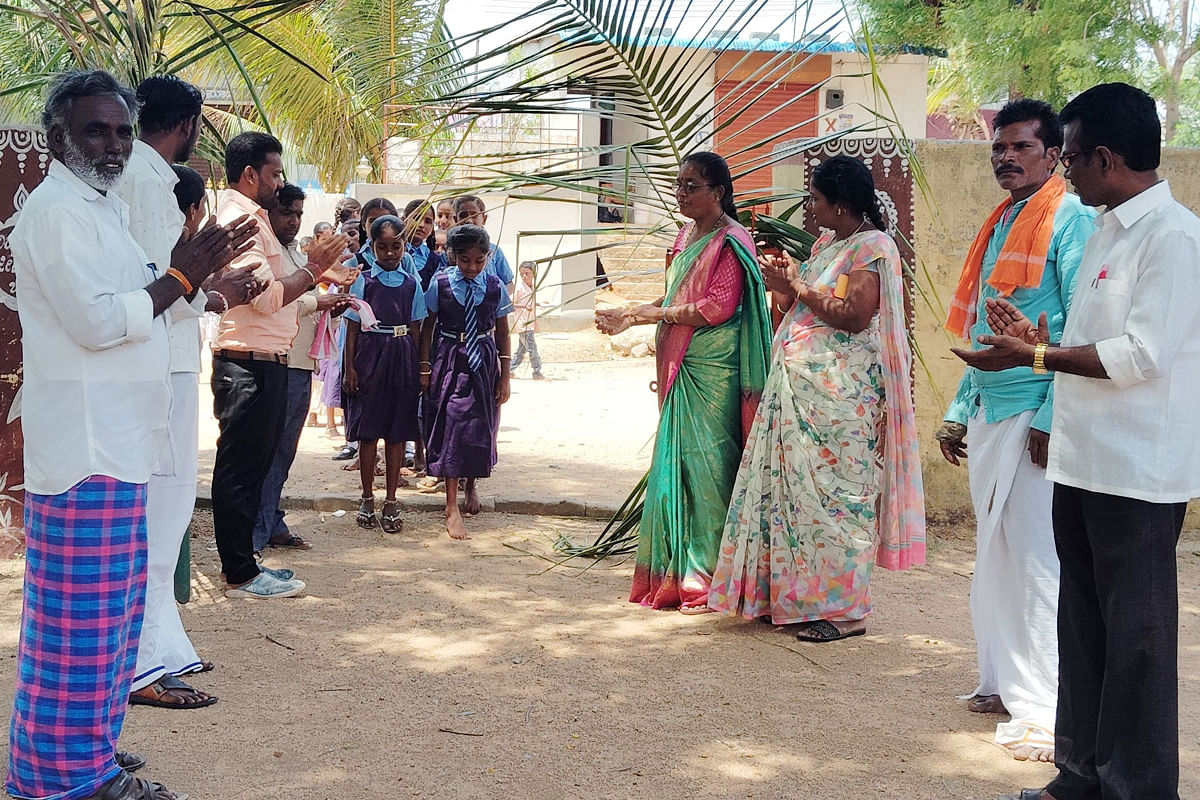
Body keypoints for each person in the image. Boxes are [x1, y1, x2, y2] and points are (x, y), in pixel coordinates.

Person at [8, 68, 257, 800]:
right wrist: (180, 281)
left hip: (118, 446)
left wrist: (201, 287)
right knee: (79, 633)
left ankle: (80, 757)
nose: (114, 144)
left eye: (122, 129)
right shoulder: (57, 213)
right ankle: (66, 781)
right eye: (96, 129)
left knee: (109, 623)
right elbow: (98, 320)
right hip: (87, 449)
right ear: (58, 137)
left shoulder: (99, 207)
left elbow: (145, 295)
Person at [955, 83, 1200, 800]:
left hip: (1138, 473)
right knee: (1084, 629)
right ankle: (1081, 777)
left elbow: (1139, 356)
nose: (1064, 171)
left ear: (1104, 157)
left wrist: (1032, 359)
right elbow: (1091, 345)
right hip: (1083, 458)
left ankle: (1138, 789)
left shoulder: (1175, 238)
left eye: (1072, 157)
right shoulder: (1105, 227)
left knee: (1139, 645)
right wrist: (1043, 342)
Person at [937, 99, 1095, 761]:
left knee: (1037, 561)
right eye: (999, 148)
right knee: (998, 555)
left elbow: (1083, 322)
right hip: (992, 409)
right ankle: (1003, 682)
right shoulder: (1001, 220)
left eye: (1021, 148)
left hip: (1036, 412)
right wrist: (958, 406)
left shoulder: (1070, 219)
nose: (1005, 157)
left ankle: (1046, 708)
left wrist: (1056, 416)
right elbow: (989, 330)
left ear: (1054, 155)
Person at [706, 154, 925, 635]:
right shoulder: (829, 243)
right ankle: (790, 600)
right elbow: (797, 304)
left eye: (817, 200)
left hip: (840, 404)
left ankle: (844, 611)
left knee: (838, 503)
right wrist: (783, 283)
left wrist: (799, 286)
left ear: (842, 205)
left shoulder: (872, 247)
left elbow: (852, 315)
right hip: (802, 395)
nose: (811, 208)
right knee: (794, 503)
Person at [116, 75, 270, 712]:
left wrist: (207, 290)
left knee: (169, 513)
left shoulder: (138, 177)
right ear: (187, 127)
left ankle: (164, 645)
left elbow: (164, 281)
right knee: (160, 515)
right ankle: (144, 662)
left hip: (166, 356)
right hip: (161, 363)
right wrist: (209, 290)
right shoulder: (149, 182)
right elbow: (160, 283)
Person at [594, 151, 772, 612]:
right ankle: (675, 572)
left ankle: (708, 575)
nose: (682, 193)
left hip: (713, 372)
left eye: (692, 185)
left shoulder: (732, 241)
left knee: (710, 470)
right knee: (681, 471)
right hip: (681, 366)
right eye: (679, 184)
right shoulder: (684, 234)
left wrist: (653, 313)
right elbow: (676, 295)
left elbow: (716, 307)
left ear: (719, 192)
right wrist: (631, 314)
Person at [211, 132, 352, 599]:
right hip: (246, 364)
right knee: (241, 469)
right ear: (250, 175)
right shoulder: (241, 220)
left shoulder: (254, 218)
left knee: (254, 466)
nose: (280, 182)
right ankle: (239, 572)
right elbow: (268, 297)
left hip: (264, 361)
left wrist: (314, 278)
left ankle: (246, 564)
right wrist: (311, 271)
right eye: (274, 173)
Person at [253, 183, 352, 554]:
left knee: (284, 450)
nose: (293, 221)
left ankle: (270, 521)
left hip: (297, 361)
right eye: (285, 213)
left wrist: (329, 303)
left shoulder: (293, 252)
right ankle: (256, 533)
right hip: (275, 360)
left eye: (297, 214)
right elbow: (275, 298)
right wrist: (318, 299)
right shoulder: (266, 250)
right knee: (268, 449)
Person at [419, 224, 513, 540]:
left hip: (484, 361)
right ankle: (450, 506)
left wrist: (506, 376)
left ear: (488, 257)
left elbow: (502, 331)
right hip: (450, 357)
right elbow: (428, 325)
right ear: (453, 257)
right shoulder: (441, 283)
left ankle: (471, 485)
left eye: (479, 261)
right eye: (465, 260)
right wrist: (425, 366)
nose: (472, 267)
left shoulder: (495, 286)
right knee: (452, 424)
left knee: (480, 426)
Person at [344, 214, 428, 532]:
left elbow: (418, 326)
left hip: (402, 355)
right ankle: (367, 496)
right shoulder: (364, 280)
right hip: (370, 356)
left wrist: (423, 366)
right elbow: (352, 327)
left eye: (396, 246)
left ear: (404, 245)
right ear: (372, 247)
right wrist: (349, 367)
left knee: (396, 432)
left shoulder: (411, 283)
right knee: (369, 432)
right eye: (383, 247)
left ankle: (391, 500)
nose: (391, 253)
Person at [453, 194, 514, 292]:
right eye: (463, 216)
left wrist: (498, 299)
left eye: (474, 215)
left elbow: (509, 284)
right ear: (456, 220)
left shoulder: (495, 251)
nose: (469, 220)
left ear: (484, 219)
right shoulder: (450, 250)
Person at [403, 199, 447, 290]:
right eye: (417, 218)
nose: (421, 225)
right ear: (404, 220)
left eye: (427, 221)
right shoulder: (391, 252)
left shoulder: (435, 260)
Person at [511, 261, 544, 379]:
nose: (524, 276)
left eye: (527, 273)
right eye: (522, 274)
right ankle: (537, 371)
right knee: (532, 348)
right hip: (522, 323)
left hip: (529, 323)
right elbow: (513, 304)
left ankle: (510, 369)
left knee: (522, 349)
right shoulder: (519, 288)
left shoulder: (533, 287)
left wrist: (539, 304)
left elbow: (531, 303)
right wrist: (524, 307)